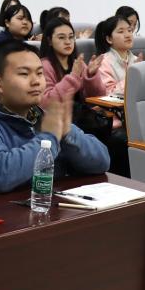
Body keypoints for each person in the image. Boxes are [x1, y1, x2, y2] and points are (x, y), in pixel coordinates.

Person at [0, 41, 110, 195]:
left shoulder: (40, 115)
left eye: (39, 73)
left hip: (47, 205)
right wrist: (49, 137)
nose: (36, 81)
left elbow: (102, 162)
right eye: (24, 74)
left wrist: (68, 134)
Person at [41, 18, 125, 176]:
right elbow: (47, 102)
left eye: (71, 37)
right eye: (61, 37)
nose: (68, 41)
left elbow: (97, 96)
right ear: (49, 41)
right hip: (61, 125)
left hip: (83, 121)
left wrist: (91, 75)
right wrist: (73, 76)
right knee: (117, 141)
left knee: (119, 141)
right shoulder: (45, 66)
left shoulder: (77, 62)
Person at [96, 15, 141, 96]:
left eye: (129, 30)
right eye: (121, 32)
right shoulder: (103, 62)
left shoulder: (136, 60)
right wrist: (131, 77)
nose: (128, 35)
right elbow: (110, 93)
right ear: (109, 39)